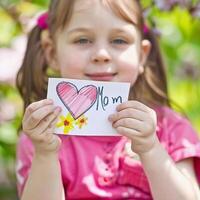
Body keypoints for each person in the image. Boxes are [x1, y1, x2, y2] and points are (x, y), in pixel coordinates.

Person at [16, 0, 200, 199]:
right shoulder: (42, 135)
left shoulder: (171, 129)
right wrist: (45, 154)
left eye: (119, 40)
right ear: (52, 54)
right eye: (82, 40)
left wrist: (150, 148)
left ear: (142, 55)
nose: (101, 55)